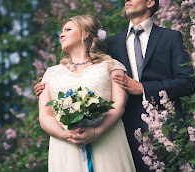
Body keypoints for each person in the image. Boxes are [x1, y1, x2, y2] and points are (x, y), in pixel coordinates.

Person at [35, 0, 195, 171]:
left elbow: (187, 82)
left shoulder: (170, 37)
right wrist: (45, 87)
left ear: (150, 2)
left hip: (165, 126)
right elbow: (86, 69)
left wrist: (143, 88)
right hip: (125, 131)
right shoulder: (110, 44)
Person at [38, 15, 136, 172]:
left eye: (68, 29)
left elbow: (118, 104)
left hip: (107, 140)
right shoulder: (51, 73)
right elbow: (45, 115)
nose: (61, 34)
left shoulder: (111, 66)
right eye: (61, 31)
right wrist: (68, 135)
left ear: (86, 34)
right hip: (65, 147)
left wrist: (97, 131)